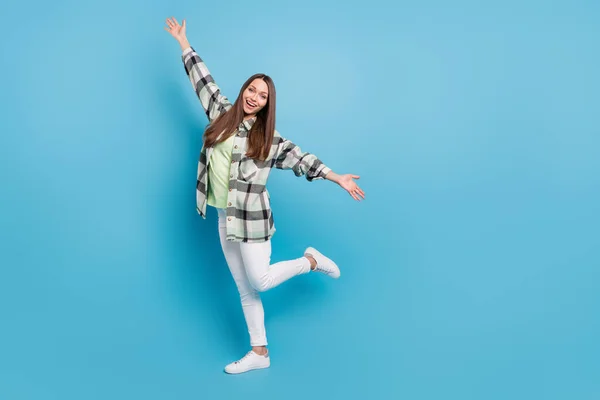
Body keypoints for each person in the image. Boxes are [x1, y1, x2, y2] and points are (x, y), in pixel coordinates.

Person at [164, 17, 365, 374]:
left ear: (268, 104)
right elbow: (203, 82)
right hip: (225, 216)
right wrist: (184, 42)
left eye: (263, 95)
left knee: (260, 280)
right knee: (245, 288)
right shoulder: (221, 115)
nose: (255, 97)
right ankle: (260, 353)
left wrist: (336, 178)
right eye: (252, 90)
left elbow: (303, 160)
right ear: (244, 90)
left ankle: (311, 262)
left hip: (252, 220)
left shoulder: (268, 140)